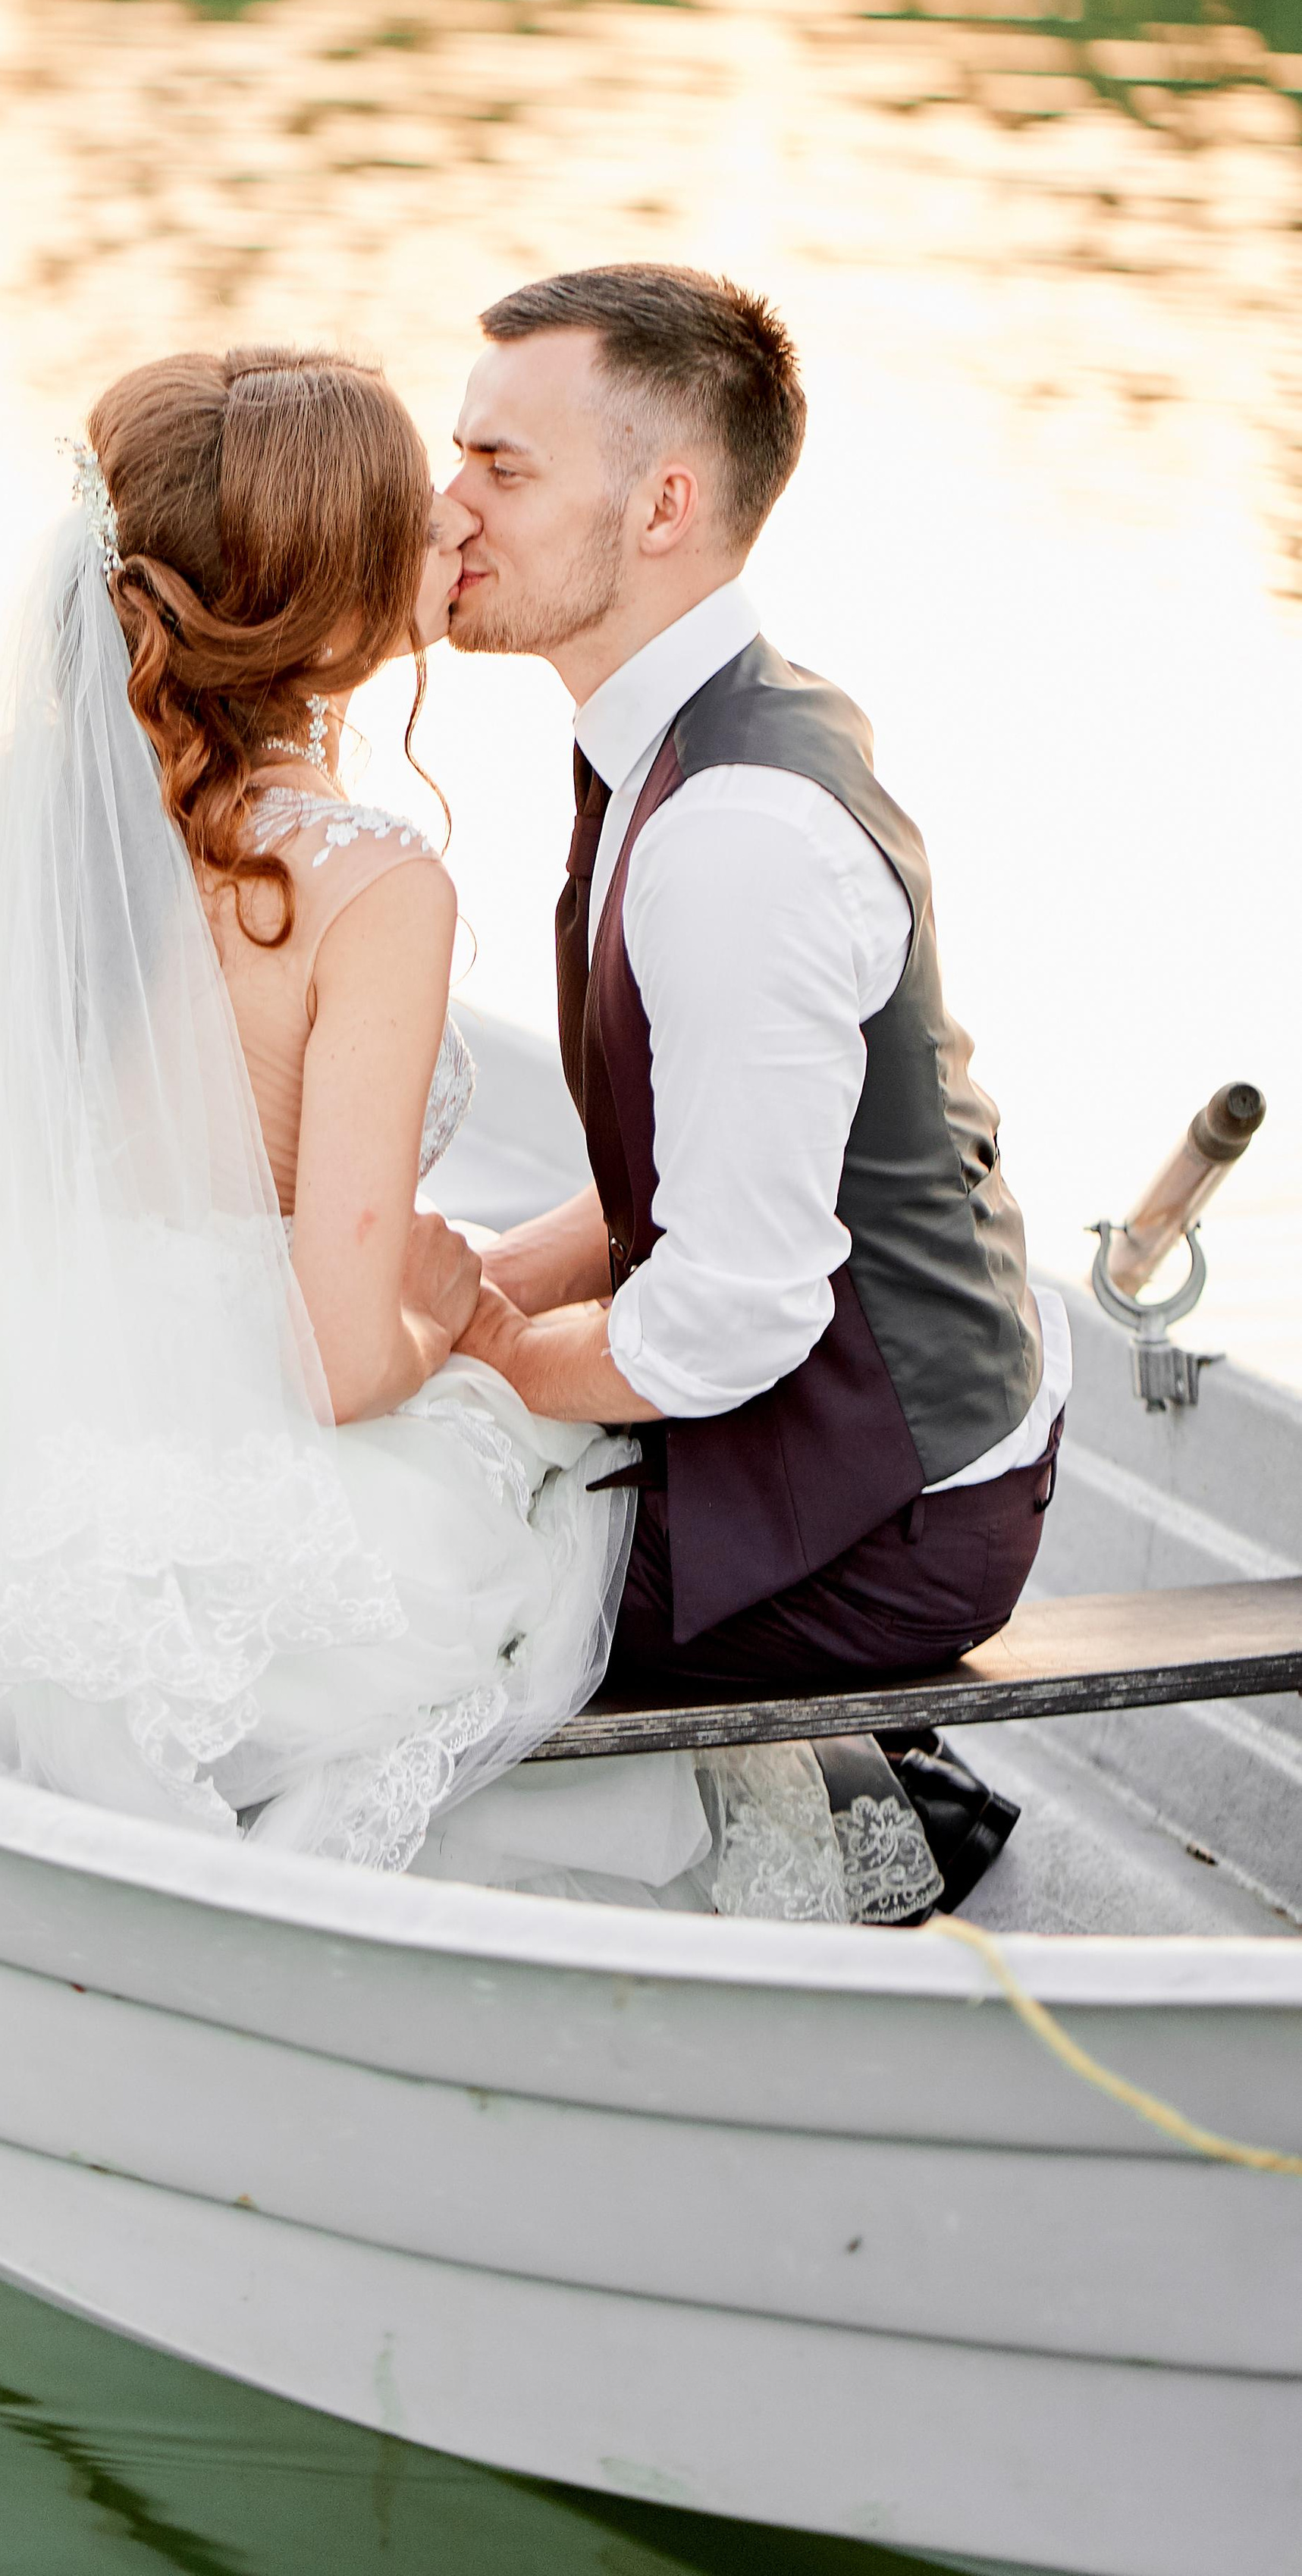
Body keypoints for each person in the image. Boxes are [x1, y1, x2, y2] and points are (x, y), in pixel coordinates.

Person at [0, 344, 941, 1922]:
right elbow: (340, 1361)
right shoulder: (370, 888)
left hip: (9, 1415)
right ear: (337, 601)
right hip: (254, 1448)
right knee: (559, 1520)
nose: (450, 521)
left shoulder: (45, 826)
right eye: (415, 507)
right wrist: (456, 1315)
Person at [444, 266, 1068, 1796]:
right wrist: (460, 1291)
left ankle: (885, 1812)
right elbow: (683, 1167)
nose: (443, 507)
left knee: (350, 1574)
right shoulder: (686, 736)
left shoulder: (735, 830)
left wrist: (476, 1367)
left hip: (887, 1526)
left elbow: (729, 1314)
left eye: (497, 468)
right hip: (815, 1435)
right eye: (456, 454)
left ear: (660, 507)